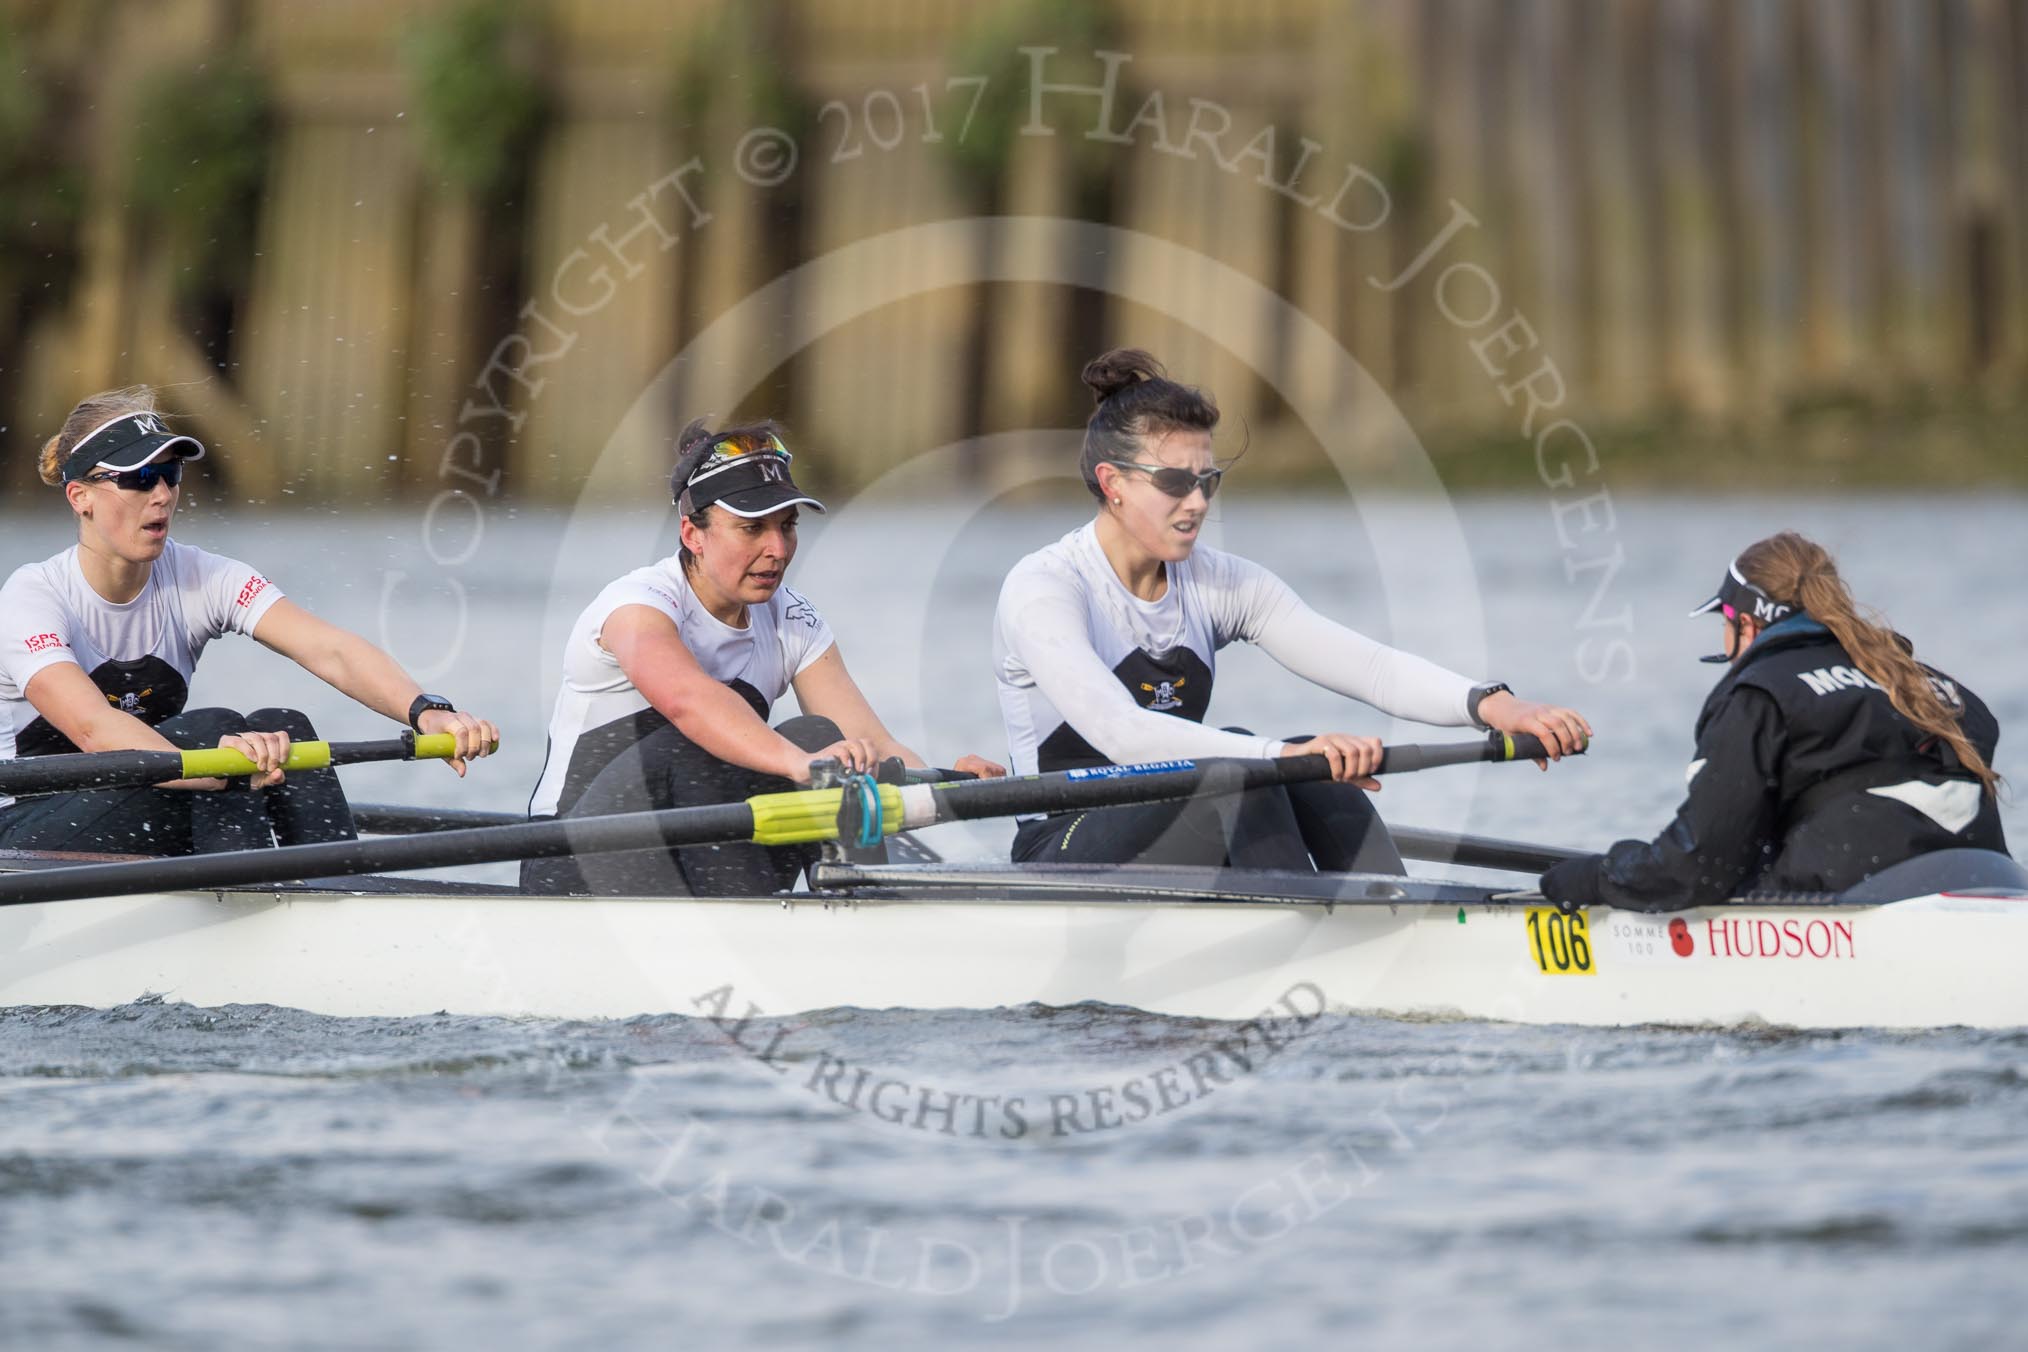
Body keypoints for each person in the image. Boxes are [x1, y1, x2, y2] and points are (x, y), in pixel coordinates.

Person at [993, 348, 1591, 872]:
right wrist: (1276, 758)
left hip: (1176, 822)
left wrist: (1494, 705)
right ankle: (1311, 953)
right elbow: (1120, 732)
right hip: (1063, 843)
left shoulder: (1219, 582)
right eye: (1176, 482)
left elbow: (1372, 669)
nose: (1198, 502)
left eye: (1209, 481)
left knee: (1310, 768)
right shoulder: (1045, 588)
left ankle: (1390, 929)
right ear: (1113, 482)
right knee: (1249, 766)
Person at [0, 387, 499, 856]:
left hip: (147, 800)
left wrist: (427, 713)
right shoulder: (33, 598)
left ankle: (339, 893)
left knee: (287, 730)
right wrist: (229, 770)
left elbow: (329, 649)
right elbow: (94, 730)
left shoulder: (201, 576)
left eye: (170, 475)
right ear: (80, 497)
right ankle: (254, 909)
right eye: (138, 478)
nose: (161, 495)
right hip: (28, 834)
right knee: (215, 730)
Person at [524, 418, 1005, 897]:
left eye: (787, 525)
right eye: (752, 528)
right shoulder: (635, 606)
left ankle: (868, 909)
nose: (777, 549)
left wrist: (953, 786)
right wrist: (800, 765)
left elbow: (874, 744)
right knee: (702, 742)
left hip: (705, 865)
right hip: (576, 865)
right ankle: (758, 929)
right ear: (693, 533)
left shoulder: (793, 619)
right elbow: (688, 702)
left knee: (823, 739)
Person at [1540, 532, 2008, 909]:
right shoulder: (1921, 681)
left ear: (1744, 623)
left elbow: (1698, 865)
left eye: (1723, 624)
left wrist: (1601, 877)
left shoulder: (1760, 695)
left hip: (1871, 897)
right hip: (1997, 885)